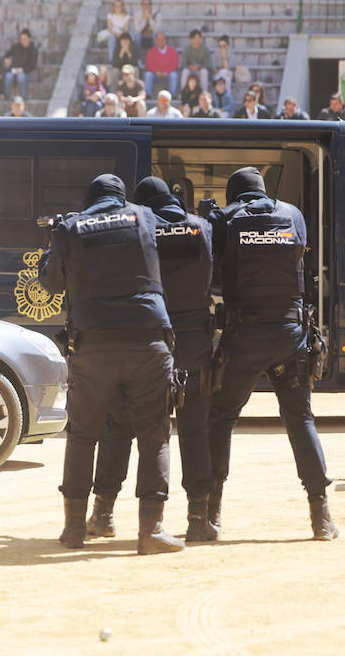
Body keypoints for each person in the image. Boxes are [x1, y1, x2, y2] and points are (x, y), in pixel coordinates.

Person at [38, 174, 182, 555]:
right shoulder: (146, 217)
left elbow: (50, 283)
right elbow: (179, 229)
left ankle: (73, 531)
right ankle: (150, 531)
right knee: (154, 437)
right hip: (148, 344)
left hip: (94, 346)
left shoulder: (71, 226)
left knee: (83, 437)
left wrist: (53, 237)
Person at [204, 167, 336, 540]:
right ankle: (320, 517)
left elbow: (210, 267)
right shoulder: (292, 215)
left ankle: (210, 516)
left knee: (221, 418)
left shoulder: (227, 220)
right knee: (300, 420)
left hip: (244, 335)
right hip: (290, 335)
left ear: (235, 195)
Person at [86, 177, 215, 544]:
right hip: (193, 341)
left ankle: (104, 514)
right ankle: (198, 518)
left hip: (146, 338)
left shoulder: (138, 230)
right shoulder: (202, 228)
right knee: (193, 430)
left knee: (120, 427)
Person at [142, 33, 180, 99]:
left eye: (162, 39)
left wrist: (167, 72)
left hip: (168, 74)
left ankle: (172, 96)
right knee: (148, 75)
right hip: (155, 75)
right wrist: (156, 72)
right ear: (155, 40)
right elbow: (148, 64)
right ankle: (148, 95)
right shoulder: (151, 51)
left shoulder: (172, 51)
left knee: (174, 75)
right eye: (158, 39)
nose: (160, 41)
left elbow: (175, 64)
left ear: (165, 40)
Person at [5, 29, 39, 102]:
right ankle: (7, 97)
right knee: (8, 76)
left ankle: (23, 97)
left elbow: (33, 66)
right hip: (13, 71)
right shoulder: (16, 47)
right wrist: (6, 59)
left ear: (29, 39)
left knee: (21, 77)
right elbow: (7, 54)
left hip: (25, 73)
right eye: (22, 39)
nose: (23, 41)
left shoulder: (33, 50)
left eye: (25, 39)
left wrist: (22, 70)